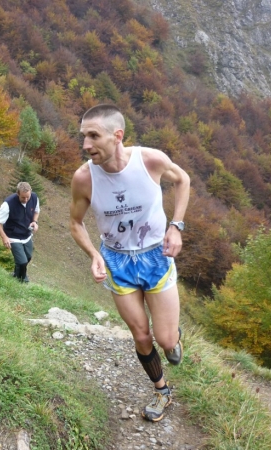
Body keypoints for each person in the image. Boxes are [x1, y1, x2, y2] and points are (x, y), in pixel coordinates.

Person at [69, 104, 190, 422]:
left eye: (93, 136)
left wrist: (176, 226)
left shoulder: (150, 160)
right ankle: (162, 391)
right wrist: (94, 255)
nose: (86, 145)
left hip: (155, 256)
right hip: (117, 261)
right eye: (83, 137)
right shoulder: (84, 178)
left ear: (117, 136)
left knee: (165, 340)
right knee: (140, 334)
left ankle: (171, 335)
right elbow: (75, 223)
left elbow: (183, 180)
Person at [0, 182, 40, 283]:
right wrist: (4, 237)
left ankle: (16, 275)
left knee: (28, 257)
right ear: (17, 193)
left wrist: (34, 222)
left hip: (26, 234)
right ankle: (23, 281)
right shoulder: (8, 203)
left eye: (28, 197)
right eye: (23, 197)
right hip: (13, 236)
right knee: (22, 262)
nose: (26, 200)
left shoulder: (34, 198)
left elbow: (36, 211)